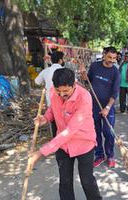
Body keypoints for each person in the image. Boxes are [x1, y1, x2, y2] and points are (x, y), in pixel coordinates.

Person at [28, 68, 102, 200]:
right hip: (63, 146)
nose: (62, 94)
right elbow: (52, 109)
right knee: (65, 183)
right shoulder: (53, 92)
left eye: (66, 91)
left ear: (74, 84)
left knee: (87, 181)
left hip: (84, 143)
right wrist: (45, 118)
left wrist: (40, 152)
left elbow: (70, 131)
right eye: (58, 91)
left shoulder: (84, 98)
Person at [79, 46, 120, 168]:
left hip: (108, 107)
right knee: (95, 132)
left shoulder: (115, 72)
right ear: (104, 54)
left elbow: (115, 92)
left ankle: (110, 155)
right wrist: (83, 74)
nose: (112, 61)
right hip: (93, 106)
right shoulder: (95, 66)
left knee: (108, 132)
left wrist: (107, 108)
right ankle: (99, 155)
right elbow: (88, 81)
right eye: (109, 57)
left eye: (114, 58)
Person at [35, 51, 64, 137]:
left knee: (54, 124)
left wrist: (46, 81)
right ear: (60, 60)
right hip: (64, 102)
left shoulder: (46, 71)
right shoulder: (65, 71)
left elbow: (37, 82)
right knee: (64, 123)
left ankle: (56, 141)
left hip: (50, 101)